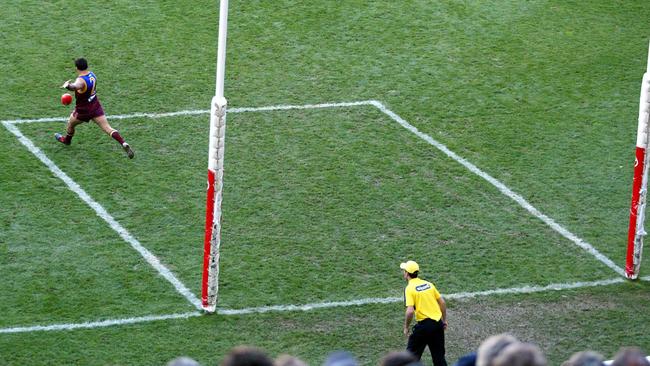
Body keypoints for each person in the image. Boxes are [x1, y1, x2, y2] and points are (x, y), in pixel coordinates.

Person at [55, 57, 134, 159]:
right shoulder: (92, 75)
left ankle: (67, 140)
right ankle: (123, 143)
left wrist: (68, 86)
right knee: (107, 128)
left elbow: (76, 86)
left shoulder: (81, 80)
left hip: (83, 111)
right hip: (95, 106)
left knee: (70, 124)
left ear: (76, 68)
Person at [400, 260, 448, 366]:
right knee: (439, 358)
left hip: (424, 327)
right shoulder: (429, 284)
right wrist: (444, 320)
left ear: (407, 273)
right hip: (437, 324)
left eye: (404, 271)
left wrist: (406, 327)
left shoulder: (409, 288)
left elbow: (410, 311)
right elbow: (442, 303)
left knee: (409, 358)